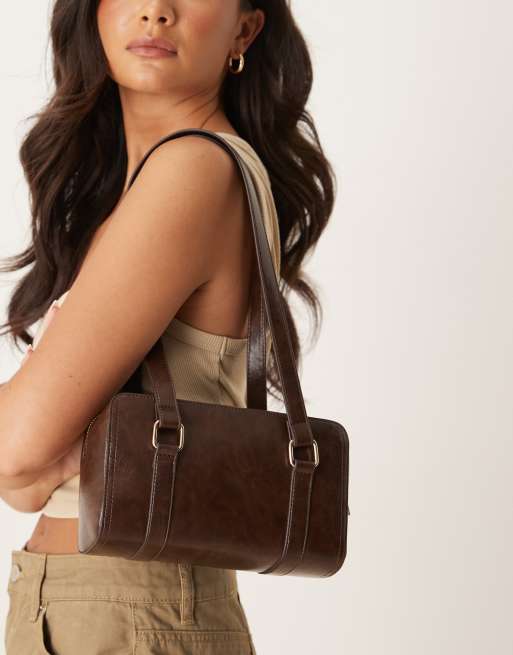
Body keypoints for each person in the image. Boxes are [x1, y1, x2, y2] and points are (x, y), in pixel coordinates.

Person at [0, 1, 336, 653]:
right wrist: (33, 461)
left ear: (244, 28)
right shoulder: (151, 181)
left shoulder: (192, 170)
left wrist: (37, 458)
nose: (155, 11)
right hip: (96, 605)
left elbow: (15, 454)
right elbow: (23, 476)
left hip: (127, 610)